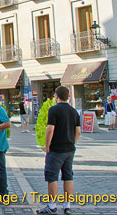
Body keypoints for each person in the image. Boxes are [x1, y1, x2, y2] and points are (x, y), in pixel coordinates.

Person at [37, 86, 81, 215]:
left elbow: (50, 129)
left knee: (52, 177)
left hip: (56, 149)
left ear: (56, 96)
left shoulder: (54, 110)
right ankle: (67, 205)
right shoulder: (74, 111)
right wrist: (73, 142)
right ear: (68, 96)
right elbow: (78, 131)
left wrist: (47, 145)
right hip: (69, 148)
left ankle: (52, 205)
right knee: (68, 176)